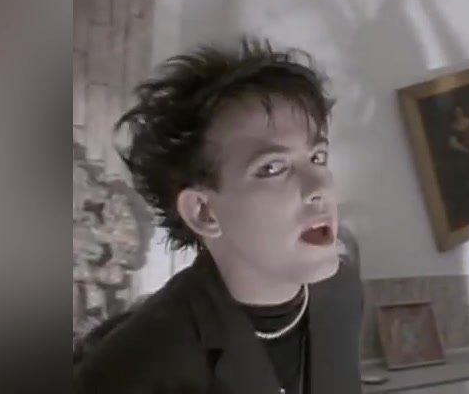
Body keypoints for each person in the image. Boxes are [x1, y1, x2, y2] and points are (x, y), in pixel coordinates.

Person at [73, 37, 364, 394]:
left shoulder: (342, 292)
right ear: (203, 212)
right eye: (273, 167)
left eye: (317, 157)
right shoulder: (135, 365)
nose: (320, 184)